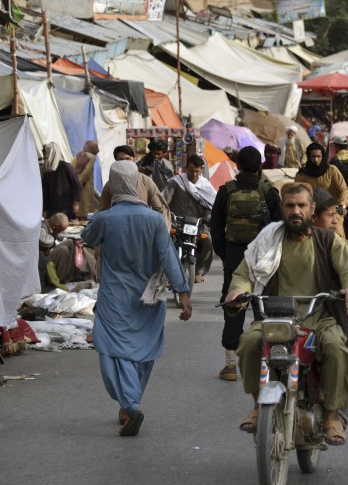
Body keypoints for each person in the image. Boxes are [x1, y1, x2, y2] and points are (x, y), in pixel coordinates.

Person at [226, 183, 348, 446]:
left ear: (312, 209)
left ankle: (333, 415)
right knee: (247, 343)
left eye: (301, 205)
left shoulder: (328, 241)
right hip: (275, 319)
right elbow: (245, 274)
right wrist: (237, 292)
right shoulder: (268, 240)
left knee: (336, 347)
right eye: (290, 206)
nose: (296, 211)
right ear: (282, 208)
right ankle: (259, 405)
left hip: (319, 318)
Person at [81, 161, 192, 437]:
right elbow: (168, 256)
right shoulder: (155, 220)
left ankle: (129, 404)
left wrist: (103, 205)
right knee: (142, 351)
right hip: (148, 297)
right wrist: (183, 292)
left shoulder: (105, 219)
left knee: (112, 349)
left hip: (113, 298)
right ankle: (130, 402)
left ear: (114, 185)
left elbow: (87, 236)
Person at [210, 146, 282, 381]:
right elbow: (279, 227)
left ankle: (231, 365)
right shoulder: (269, 192)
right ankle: (264, 361)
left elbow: (216, 226)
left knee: (233, 307)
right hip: (264, 259)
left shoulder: (226, 192)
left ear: (237, 166)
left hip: (235, 255)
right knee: (263, 308)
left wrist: (225, 252)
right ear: (260, 165)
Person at [162, 155, 216, 283]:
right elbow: (163, 200)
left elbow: (211, 206)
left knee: (208, 242)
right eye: (191, 171)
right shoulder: (177, 182)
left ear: (201, 169)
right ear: (186, 169)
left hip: (197, 225)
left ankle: (198, 272)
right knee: (162, 242)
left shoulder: (206, 186)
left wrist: (208, 218)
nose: (194, 174)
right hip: (176, 224)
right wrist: (164, 215)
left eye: (197, 171)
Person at [100, 145, 171, 231]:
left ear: (134, 159)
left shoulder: (145, 181)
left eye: (127, 159)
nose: (125, 163)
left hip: (143, 230)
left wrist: (162, 233)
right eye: (121, 160)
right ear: (116, 163)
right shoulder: (110, 185)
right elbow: (102, 211)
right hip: (119, 231)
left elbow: (161, 208)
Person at [295, 143, 348, 239]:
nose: (316, 160)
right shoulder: (302, 175)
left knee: (337, 242)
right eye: (313, 156)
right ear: (308, 157)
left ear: (323, 157)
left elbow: (343, 189)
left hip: (332, 214)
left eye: (318, 156)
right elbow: (297, 195)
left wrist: (342, 205)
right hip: (312, 217)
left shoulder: (332, 170)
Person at [41, 142, 82, 219]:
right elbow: (45, 191)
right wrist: (46, 209)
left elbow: (77, 184)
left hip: (66, 207)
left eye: (45, 154)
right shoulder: (47, 170)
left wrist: (76, 202)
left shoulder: (65, 166)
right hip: (53, 207)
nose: (44, 157)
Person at [74, 140, 100, 220]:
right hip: (84, 196)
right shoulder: (91, 158)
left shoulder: (79, 156)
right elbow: (85, 175)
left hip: (79, 193)